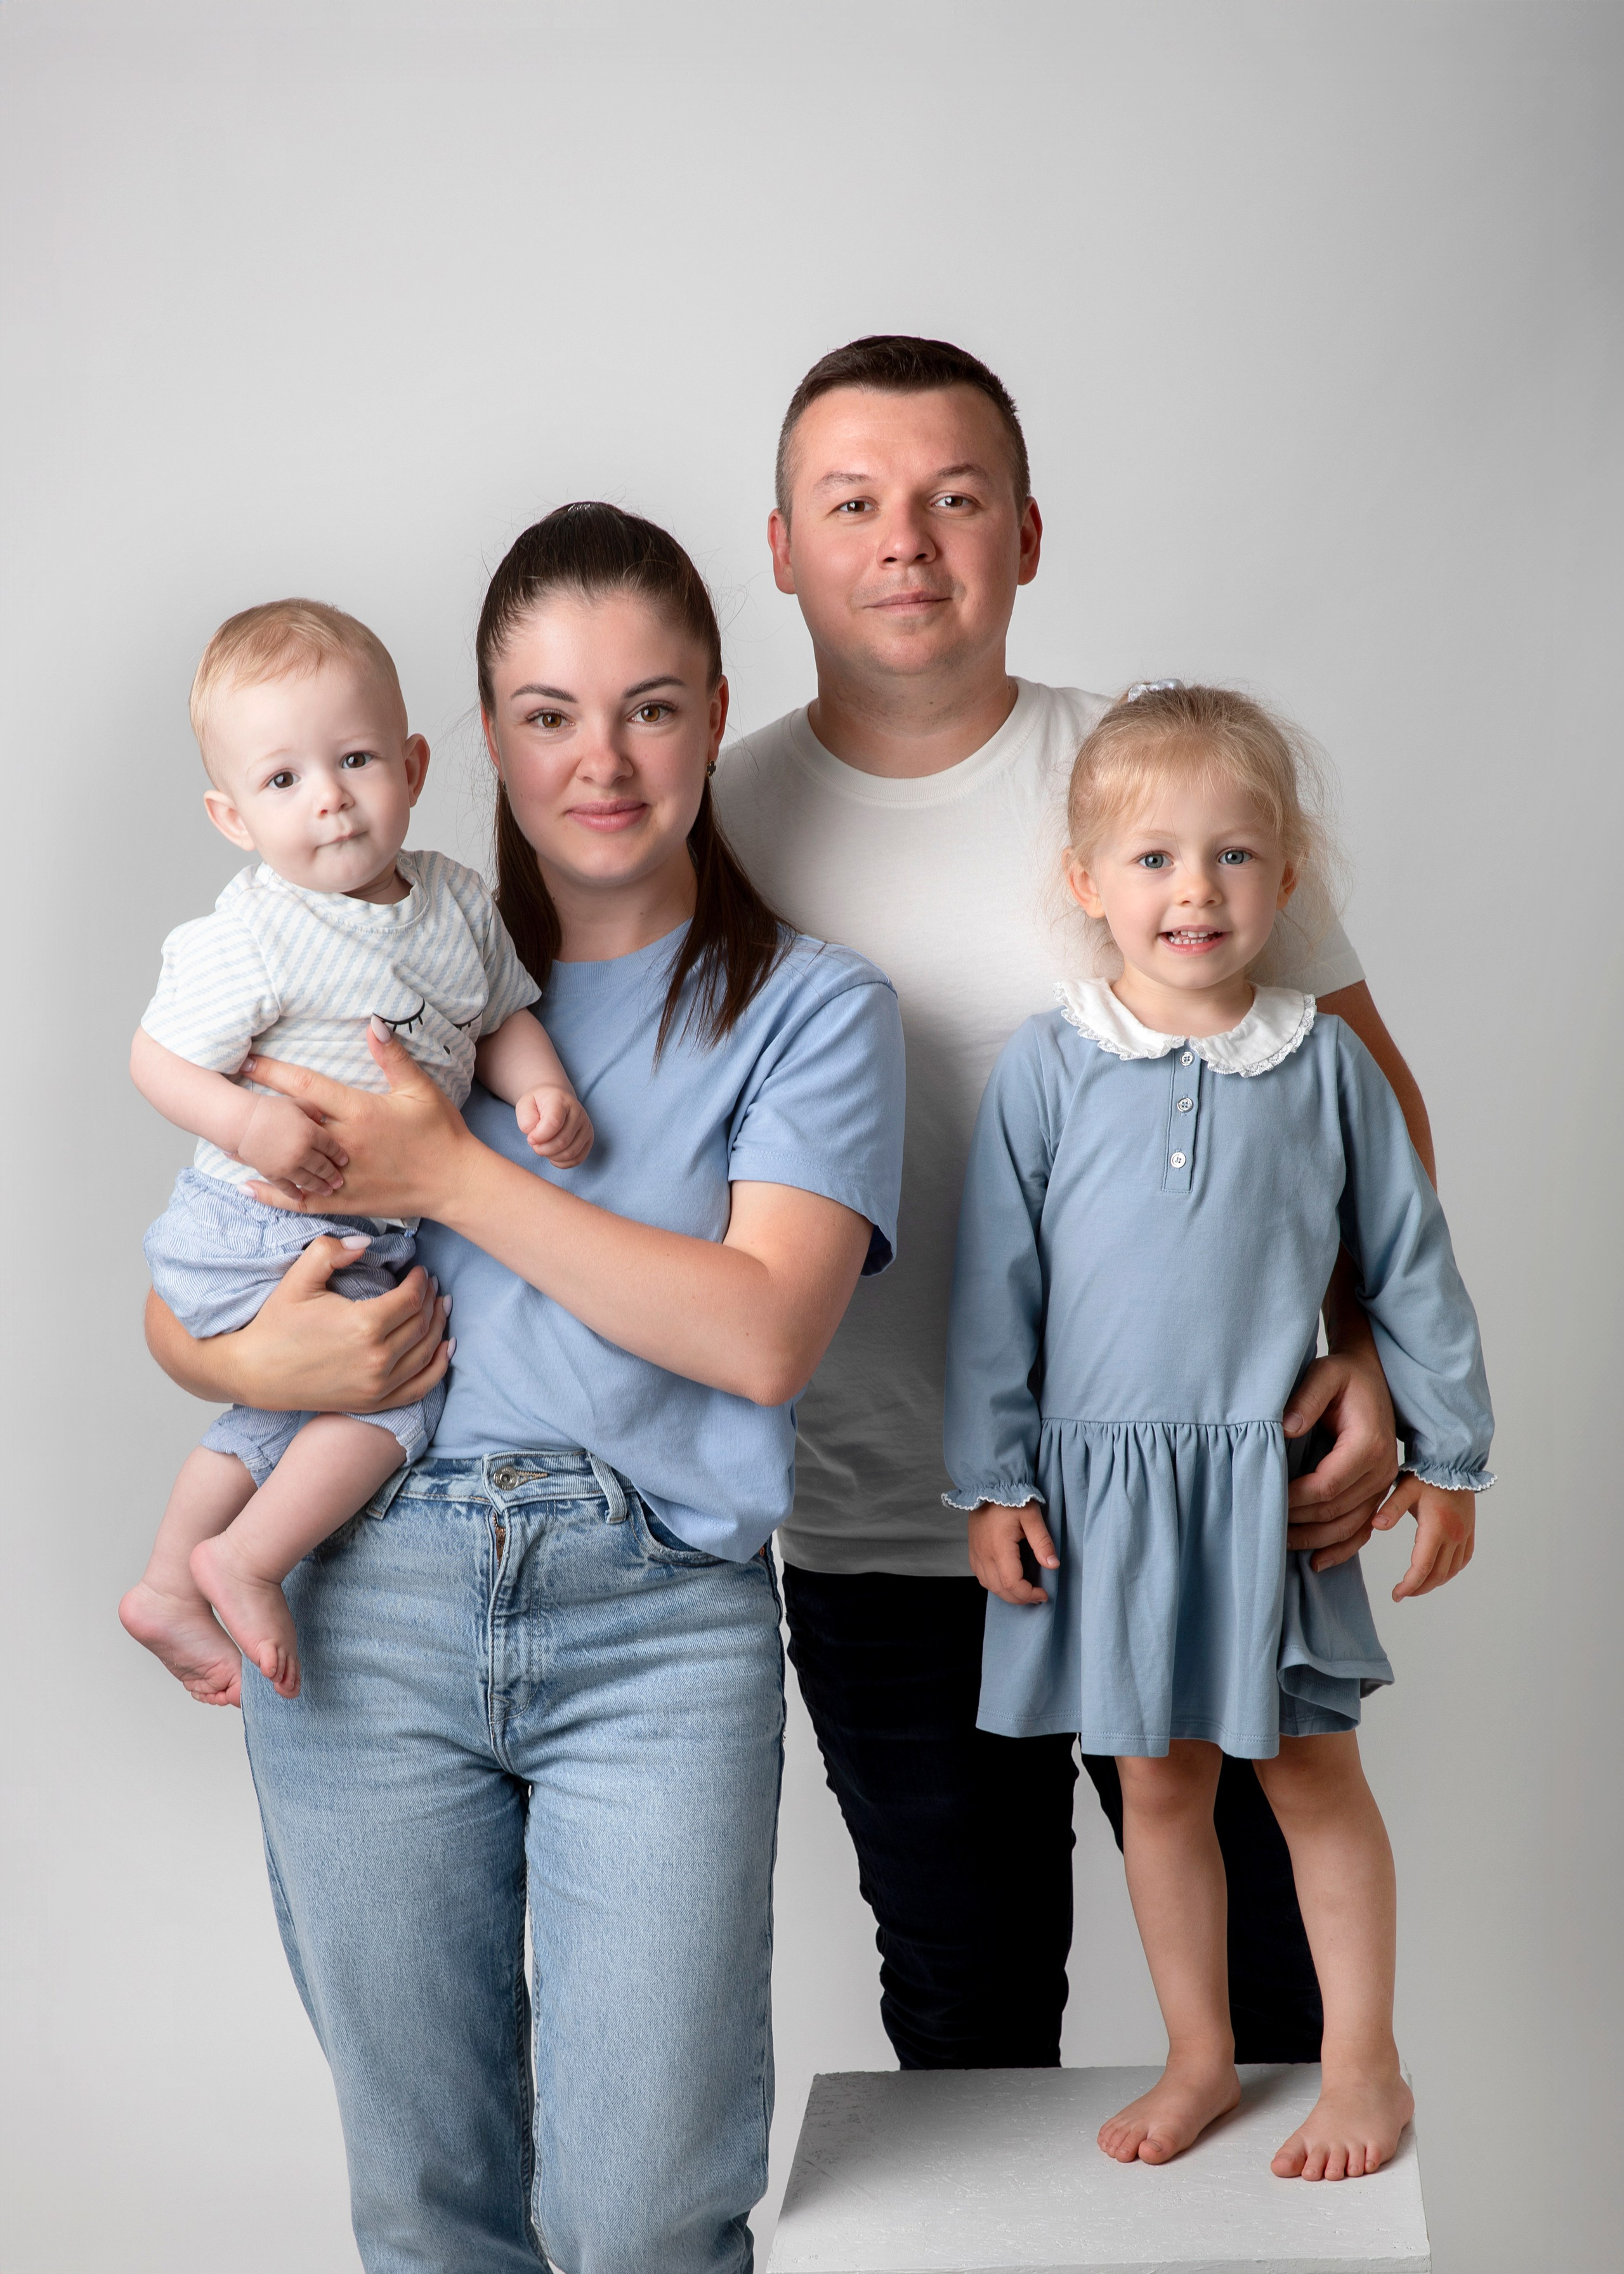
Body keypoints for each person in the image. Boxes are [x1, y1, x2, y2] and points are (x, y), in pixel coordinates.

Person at [140, 504, 905, 2274]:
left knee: (641, 2215)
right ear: (481, 738)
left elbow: (760, 1336)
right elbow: (203, 1293)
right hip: (362, 1589)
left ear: (718, 715)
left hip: (656, 1618)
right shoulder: (355, 959)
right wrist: (243, 1357)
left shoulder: (809, 1008)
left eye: (650, 707)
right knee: (434, 2205)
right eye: (549, 713)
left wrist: (458, 1174)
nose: (603, 758)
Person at [713, 334, 1469, 2069]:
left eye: (955, 498)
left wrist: (1364, 1349)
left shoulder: (1148, 782)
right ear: (782, 546)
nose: (908, 540)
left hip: (1210, 1494)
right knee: (971, 2018)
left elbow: (1365, 1098)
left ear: (1028, 535)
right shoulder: (714, 825)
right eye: (856, 504)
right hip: (885, 1528)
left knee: (1285, 1998)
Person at [945, 683, 1493, 2179]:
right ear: (1085, 883)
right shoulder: (1046, 1068)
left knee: (1310, 1776)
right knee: (1158, 1783)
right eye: (1152, 858)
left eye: (1233, 857)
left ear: (1285, 879)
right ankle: (1198, 2054)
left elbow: (1407, 1262)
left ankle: (1362, 2063)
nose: (1194, 890)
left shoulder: (1321, 1065)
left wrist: (1444, 1456)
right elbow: (995, 1290)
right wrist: (993, 1478)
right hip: (1103, 1497)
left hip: (1264, 1490)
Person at [121, 599, 590, 1704]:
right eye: (282, 781)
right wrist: (246, 1123)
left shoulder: (459, 903)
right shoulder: (254, 930)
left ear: (414, 765)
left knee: (287, 1411)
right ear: (231, 816)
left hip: (350, 1231)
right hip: (254, 1219)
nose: (328, 794)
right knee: (393, 1405)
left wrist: (544, 1088)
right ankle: (239, 1559)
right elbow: (154, 1058)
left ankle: (170, 1580)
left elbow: (500, 1018)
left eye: (357, 758)